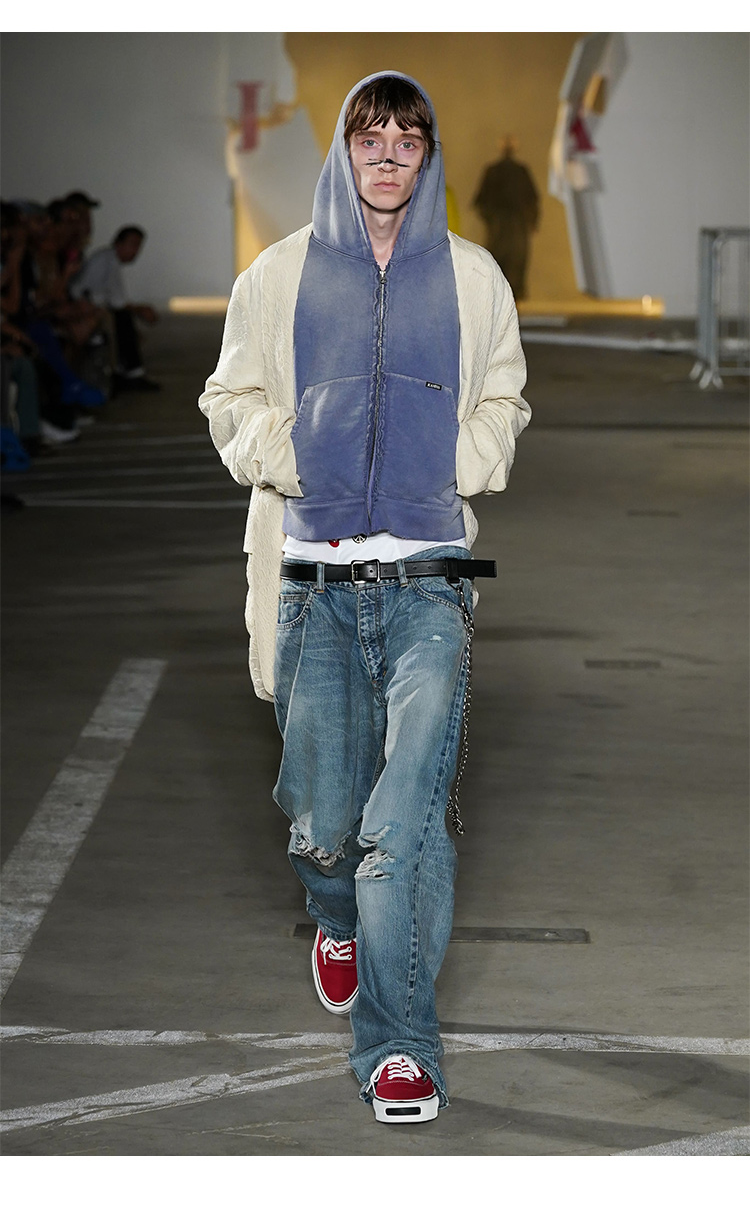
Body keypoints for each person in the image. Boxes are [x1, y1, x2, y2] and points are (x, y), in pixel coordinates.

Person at [199, 71, 530, 1124]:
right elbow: (228, 396)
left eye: (407, 139)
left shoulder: (472, 277)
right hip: (316, 584)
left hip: (430, 581)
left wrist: (457, 462)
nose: (388, 156)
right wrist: (290, 453)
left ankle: (399, 1048)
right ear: (343, 152)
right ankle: (333, 915)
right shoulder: (278, 274)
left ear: (427, 156)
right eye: (369, 137)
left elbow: (505, 395)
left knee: (406, 830)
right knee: (327, 828)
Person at [70, 225, 160, 392]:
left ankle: (125, 371)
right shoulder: (106, 260)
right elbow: (114, 302)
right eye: (132, 245)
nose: (136, 251)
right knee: (122, 320)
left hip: (90, 307)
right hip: (82, 308)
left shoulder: (109, 260)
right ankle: (130, 373)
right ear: (118, 243)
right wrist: (140, 311)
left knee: (122, 320)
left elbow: (115, 299)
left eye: (138, 246)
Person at [473, 135, 540, 300]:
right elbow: (532, 199)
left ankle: (501, 295)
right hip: (514, 224)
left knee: (500, 259)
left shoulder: (494, 171)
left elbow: (480, 201)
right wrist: (532, 221)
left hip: (501, 225)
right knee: (515, 259)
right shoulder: (520, 171)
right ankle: (512, 296)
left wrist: (489, 219)